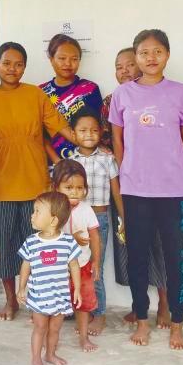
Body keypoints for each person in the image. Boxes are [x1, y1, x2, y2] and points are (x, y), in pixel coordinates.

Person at [0, 42, 77, 321]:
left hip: (35, 185)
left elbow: (58, 125)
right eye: (6, 63)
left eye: (18, 64)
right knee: (5, 248)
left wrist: (83, 140)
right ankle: (10, 300)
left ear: (25, 67)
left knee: (40, 248)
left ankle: (38, 302)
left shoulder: (35, 94)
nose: (12, 69)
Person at [109, 29, 183, 350]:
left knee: (175, 257)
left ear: (167, 55)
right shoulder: (123, 95)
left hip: (172, 189)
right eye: (144, 53)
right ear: (136, 58)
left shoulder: (181, 92)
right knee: (138, 257)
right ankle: (142, 320)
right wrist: (127, 169)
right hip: (135, 188)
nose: (151, 58)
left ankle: (177, 323)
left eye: (157, 51)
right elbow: (117, 139)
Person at [101, 47, 170, 328]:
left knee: (160, 244)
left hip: (160, 184)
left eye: (130, 65)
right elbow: (105, 140)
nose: (125, 71)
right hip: (124, 184)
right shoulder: (110, 101)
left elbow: (179, 139)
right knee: (128, 243)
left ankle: (165, 305)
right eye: (119, 67)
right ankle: (138, 304)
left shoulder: (164, 95)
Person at [70, 108, 125, 336]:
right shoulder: (70, 161)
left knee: (95, 268)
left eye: (94, 130)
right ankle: (79, 310)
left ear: (101, 132)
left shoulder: (108, 159)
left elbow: (116, 192)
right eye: (82, 130)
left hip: (99, 220)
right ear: (73, 134)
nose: (89, 134)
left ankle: (99, 313)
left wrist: (123, 218)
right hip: (75, 221)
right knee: (74, 266)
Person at [17, 191, 82, 365]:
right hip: (40, 295)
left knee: (55, 328)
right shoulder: (31, 242)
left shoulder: (68, 241)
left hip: (60, 296)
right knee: (40, 328)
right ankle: (36, 358)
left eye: (37, 211)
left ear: (53, 220)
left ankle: (50, 354)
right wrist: (21, 287)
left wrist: (76, 289)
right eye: (33, 211)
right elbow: (25, 266)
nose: (32, 215)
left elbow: (74, 266)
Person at [51, 159, 101, 352]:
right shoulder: (53, 209)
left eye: (79, 188)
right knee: (56, 304)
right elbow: (46, 233)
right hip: (57, 268)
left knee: (84, 304)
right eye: (68, 187)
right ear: (56, 187)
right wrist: (72, 238)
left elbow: (95, 236)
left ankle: (84, 337)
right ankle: (51, 340)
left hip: (82, 265)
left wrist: (96, 260)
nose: (74, 192)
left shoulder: (86, 210)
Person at [40, 33, 103, 162]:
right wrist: (57, 162)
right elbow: (39, 135)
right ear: (51, 59)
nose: (68, 63)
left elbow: (99, 128)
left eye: (74, 59)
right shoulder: (40, 92)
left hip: (88, 161)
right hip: (54, 164)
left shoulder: (90, 89)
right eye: (62, 58)